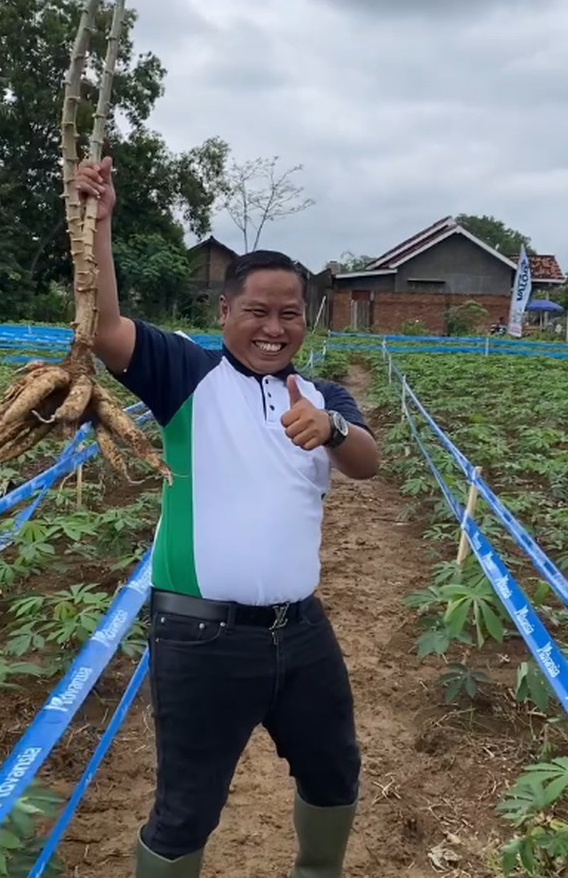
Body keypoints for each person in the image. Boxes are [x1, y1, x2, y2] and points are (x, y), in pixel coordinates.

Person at [77, 157, 380, 878]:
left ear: (306, 319)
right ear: (224, 314)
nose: (274, 328)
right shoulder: (187, 375)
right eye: (257, 312)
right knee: (186, 809)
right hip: (200, 636)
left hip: (301, 630)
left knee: (335, 770)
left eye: (290, 314)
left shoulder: (324, 395)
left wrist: (332, 430)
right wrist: (99, 226)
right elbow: (106, 328)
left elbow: (367, 461)